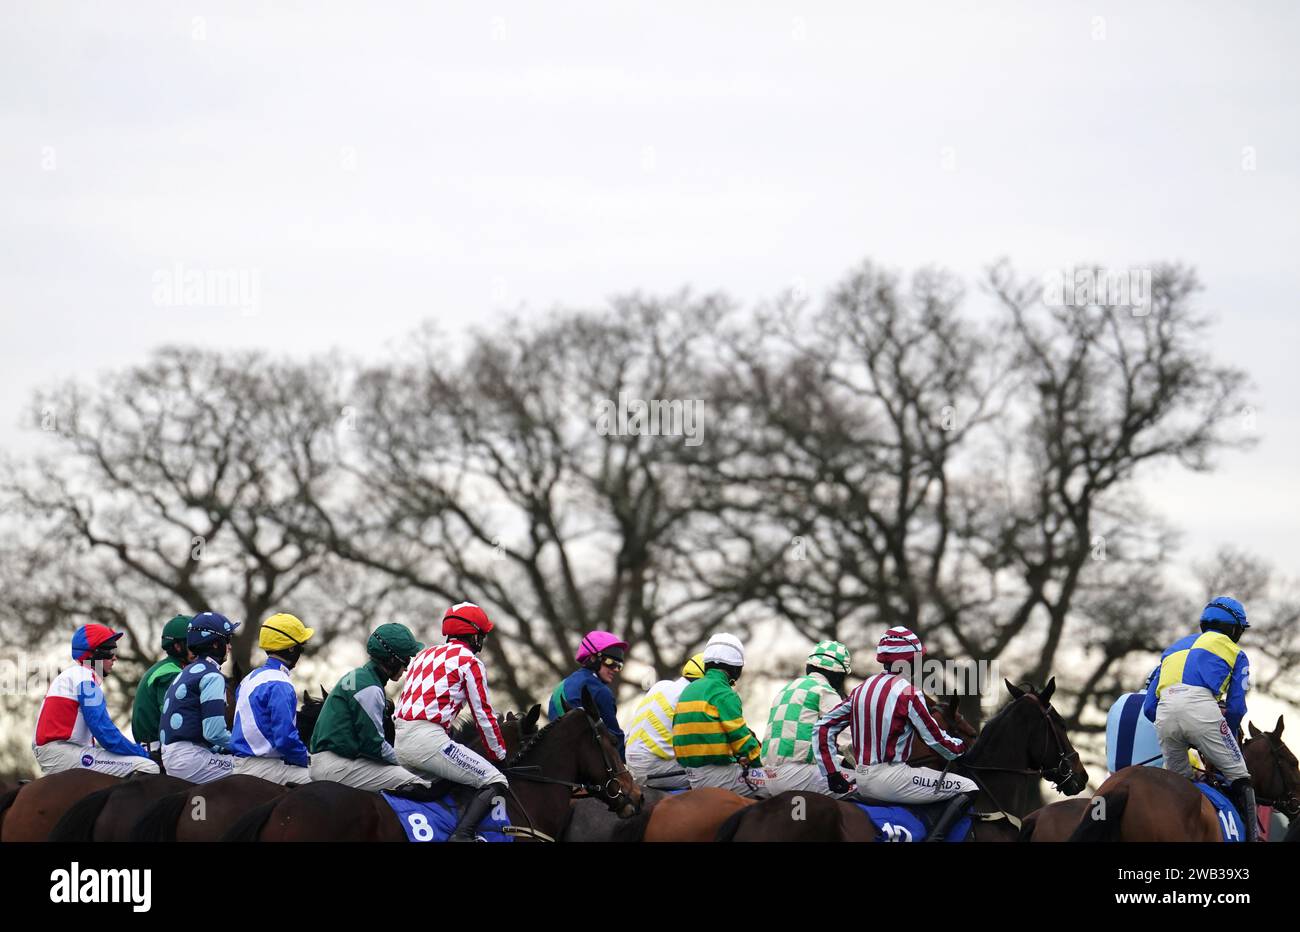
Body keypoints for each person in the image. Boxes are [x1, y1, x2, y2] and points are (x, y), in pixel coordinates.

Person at [813, 626, 975, 842]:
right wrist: (960, 748)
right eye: (917, 658)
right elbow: (935, 740)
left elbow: (822, 727)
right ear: (908, 660)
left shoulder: (862, 688)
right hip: (892, 778)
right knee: (969, 787)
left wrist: (831, 773)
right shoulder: (909, 692)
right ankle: (935, 839)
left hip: (861, 778)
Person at [1143, 596, 1257, 841]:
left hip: (1164, 713)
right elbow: (1236, 707)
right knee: (1242, 779)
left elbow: (1149, 708)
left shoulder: (1172, 649)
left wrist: (1177, 728)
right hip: (1202, 709)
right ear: (1235, 629)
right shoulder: (1237, 653)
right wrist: (1223, 735)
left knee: (1179, 785)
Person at [394, 602, 510, 842]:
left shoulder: (423, 655)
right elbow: (483, 715)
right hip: (428, 740)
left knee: (448, 783)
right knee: (495, 780)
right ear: (475, 634)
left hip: (400, 741)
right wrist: (499, 754)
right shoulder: (470, 662)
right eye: (482, 635)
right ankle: (462, 835)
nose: (482, 640)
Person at [309, 623, 430, 791]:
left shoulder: (358, 676)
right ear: (392, 659)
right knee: (421, 783)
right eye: (406, 660)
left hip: (327, 760)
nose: (407, 668)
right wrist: (408, 762)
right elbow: (374, 745)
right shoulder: (370, 689)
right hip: (337, 767)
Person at [34, 623, 158, 777]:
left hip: (62, 750)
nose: (115, 657)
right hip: (61, 752)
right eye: (110, 651)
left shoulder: (77, 675)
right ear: (94, 654)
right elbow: (104, 732)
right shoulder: (84, 678)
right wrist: (143, 753)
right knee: (148, 766)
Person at [671, 633, 768, 797]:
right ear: (736, 668)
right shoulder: (724, 693)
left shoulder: (689, 689)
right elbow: (740, 737)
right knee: (775, 784)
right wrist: (761, 762)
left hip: (691, 775)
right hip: (718, 776)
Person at [230, 613, 315, 784]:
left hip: (238, 765)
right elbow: (284, 738)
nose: (300, 652)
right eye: (300, 647)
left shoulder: (249, 678)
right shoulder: (281, 683)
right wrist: (308, 760)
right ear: (291, 649)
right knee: (324, 781)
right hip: (266, 769)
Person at [764, 640, 856, 795]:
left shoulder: (787, 688)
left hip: (770, 777)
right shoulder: (824, 690)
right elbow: (848, 741)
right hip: (798, 775)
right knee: (866, 783)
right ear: (837, 674)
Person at [160, 612, 240, 782]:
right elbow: (214, 733)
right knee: (255, 769)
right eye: (227, 640)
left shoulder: (186, 671)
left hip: (173, 755)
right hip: (191, 758)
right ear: (216, 644)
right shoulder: (212, 676)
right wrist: (247, 746)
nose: (230, 647)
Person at [625, 653, 706, 789]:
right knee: (712, 774)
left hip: (631, 764)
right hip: (653, 768)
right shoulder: (690, 697)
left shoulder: (661, 685)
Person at [548, 630, 628, 759]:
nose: (614, 669)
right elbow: (615, 739)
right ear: (593, 658)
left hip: (558, 760)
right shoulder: (601, 691)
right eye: (609, 662)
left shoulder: (560, 686)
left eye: (619, 665)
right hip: (588, 766)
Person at [131, 614, 192, 753]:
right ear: (177, 646)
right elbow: (175, 720)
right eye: (192, 643)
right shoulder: (170, 673)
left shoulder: (166, 667)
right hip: (158, 750)